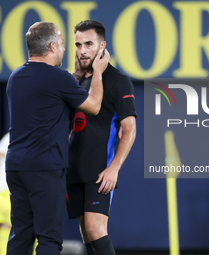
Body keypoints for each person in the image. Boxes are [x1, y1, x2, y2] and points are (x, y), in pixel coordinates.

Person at [5, 21, 109, 255]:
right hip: (45, 168)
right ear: (52, 47)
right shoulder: (57, 78)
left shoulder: (16, 76)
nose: (66, 49)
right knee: (49, 239)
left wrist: (74, 76)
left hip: (16, 167)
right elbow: (93, 105)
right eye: (63, 44)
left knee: (21, 236)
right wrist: (99, 72)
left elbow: (52, 96)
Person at [66, 20, 137, 255]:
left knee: (95, 228)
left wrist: (114, 168)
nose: (83, 50)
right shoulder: (75, 80)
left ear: (102, 45)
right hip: (73, 169)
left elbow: (130, 129)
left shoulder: (118, 80)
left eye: (89, 43)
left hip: (100, 171)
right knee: (86, 234)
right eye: (78, 45)